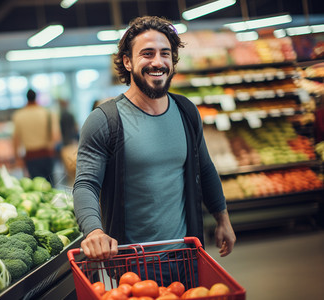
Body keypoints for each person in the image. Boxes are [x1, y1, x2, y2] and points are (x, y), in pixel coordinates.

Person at [73, 16, 236, 265]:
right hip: (134, 262)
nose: (158, 62)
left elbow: (205, 168)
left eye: (165, 53)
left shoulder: (186, 111)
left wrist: (222, 219)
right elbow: (86, 184)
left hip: (187, 253)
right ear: (127, 62)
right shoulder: (105, 120)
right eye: (147, 54)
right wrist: (94, 230)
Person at [12, 88, 61, 183]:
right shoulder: (48, 113)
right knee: (51, 186)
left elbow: (15, 140)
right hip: (47, 154)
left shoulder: (19, 115)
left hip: (30, 157)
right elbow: (56, 137)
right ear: (36, 97)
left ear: (26, 98)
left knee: (36, 186)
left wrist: (18, 159)